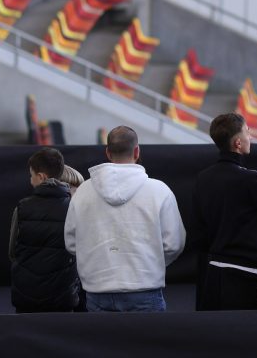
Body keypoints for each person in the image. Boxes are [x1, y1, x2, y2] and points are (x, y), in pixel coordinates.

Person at [63, 126, 185, 312]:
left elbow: (72, 243)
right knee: (146, 342)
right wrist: (151, 261)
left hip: (97, 290)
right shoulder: (160, 191)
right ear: (137, 151)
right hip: (145, 288)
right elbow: (173, 244)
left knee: (101, 342)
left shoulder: (82, 193)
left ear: (107, 153)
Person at [192, 113, 257, 311]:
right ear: (238, 143)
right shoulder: (251, 180)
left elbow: (199, 233)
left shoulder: (202, 178)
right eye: (248, 133)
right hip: (246, 278)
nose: (251, 137)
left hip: (212, 277)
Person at [9, 148, 80, 313]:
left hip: (26, 295)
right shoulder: (76, 207)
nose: (30, 180)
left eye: (31, 175)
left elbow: (12, 252)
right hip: (63, 295)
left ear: (41, 177)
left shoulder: (21, 207)